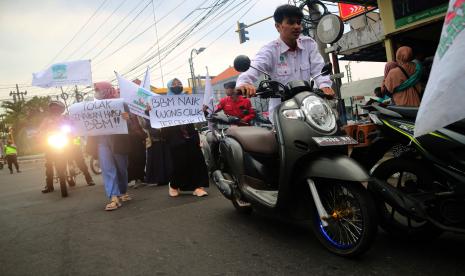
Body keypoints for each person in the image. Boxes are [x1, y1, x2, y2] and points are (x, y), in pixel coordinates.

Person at [236, 4, 334, 103]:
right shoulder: (270, 50)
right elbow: (256, 65)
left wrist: (324, 85)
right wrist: (244, 83)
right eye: (291, 22)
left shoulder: (309, 44)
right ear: (278, 26)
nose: (296, 26)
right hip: (281, 109)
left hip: (307, 104)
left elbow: (319, 69)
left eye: (299, 22)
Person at [87, 82, 131, 211]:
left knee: (121, 168)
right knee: (107, 168)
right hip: (102, 141)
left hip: (119, 141)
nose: (96, 92)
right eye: (95, 90)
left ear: (107, 90)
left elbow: (130, 124)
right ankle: (114, 197)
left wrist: (127, 119)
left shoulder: (122, 104)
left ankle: (122, 191)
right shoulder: (93, 107)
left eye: (98, 89)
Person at [163, 78, 209, 197]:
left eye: (180, 83)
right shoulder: (164, 102)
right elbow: (156, 117)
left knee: (197, 161)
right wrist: (150, 111)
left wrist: (203, 111)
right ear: (169, 87)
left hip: (191, 136)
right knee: (179, 164)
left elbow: (199, 115)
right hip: (175, 138)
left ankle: (198, 187)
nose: (177, 85)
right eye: (174, 84)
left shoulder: (189, 100)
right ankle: (174, 185)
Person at [39, 101, 70, 193]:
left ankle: (86, 177)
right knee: (48, 164)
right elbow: (40, 130)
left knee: (76, 155)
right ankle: (49, 185)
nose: (54, 109)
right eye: (52, 107)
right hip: (51, 143)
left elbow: (72, 126)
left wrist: (72, 131)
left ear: (61, 109)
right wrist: (39, 134)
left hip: (65, 142)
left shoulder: (65, 118)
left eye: (56, 107)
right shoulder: (46, 120)